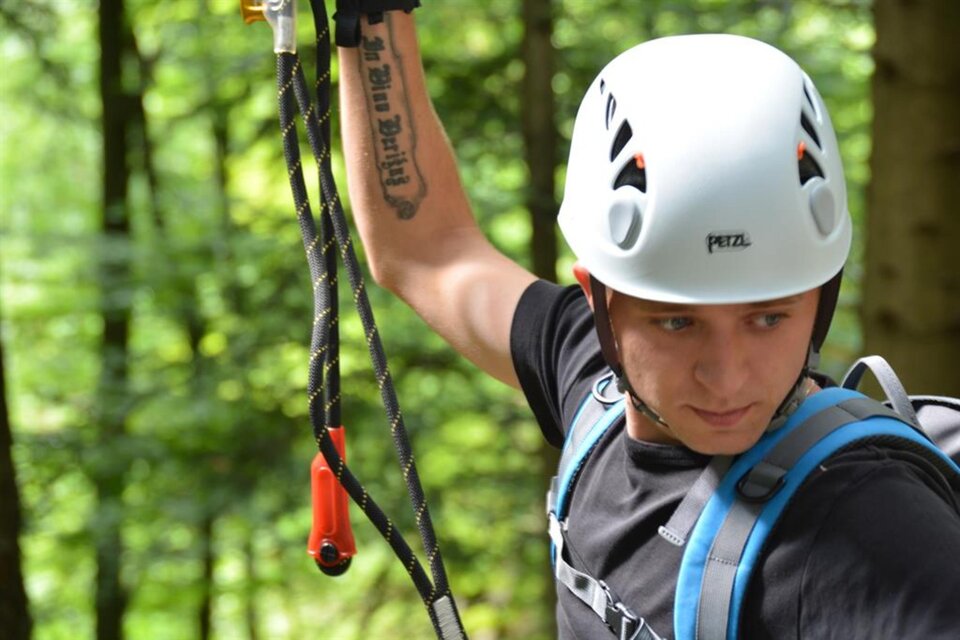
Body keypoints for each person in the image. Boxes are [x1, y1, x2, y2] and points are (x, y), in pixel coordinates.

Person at [337, 10, 960, 639]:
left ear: (822, 296)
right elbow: (426, 249)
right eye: (677, 324)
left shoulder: (874, 530)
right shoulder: (592, 388)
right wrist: (374, 17)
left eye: (768, 317)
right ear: (599, 302)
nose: (726, 375)